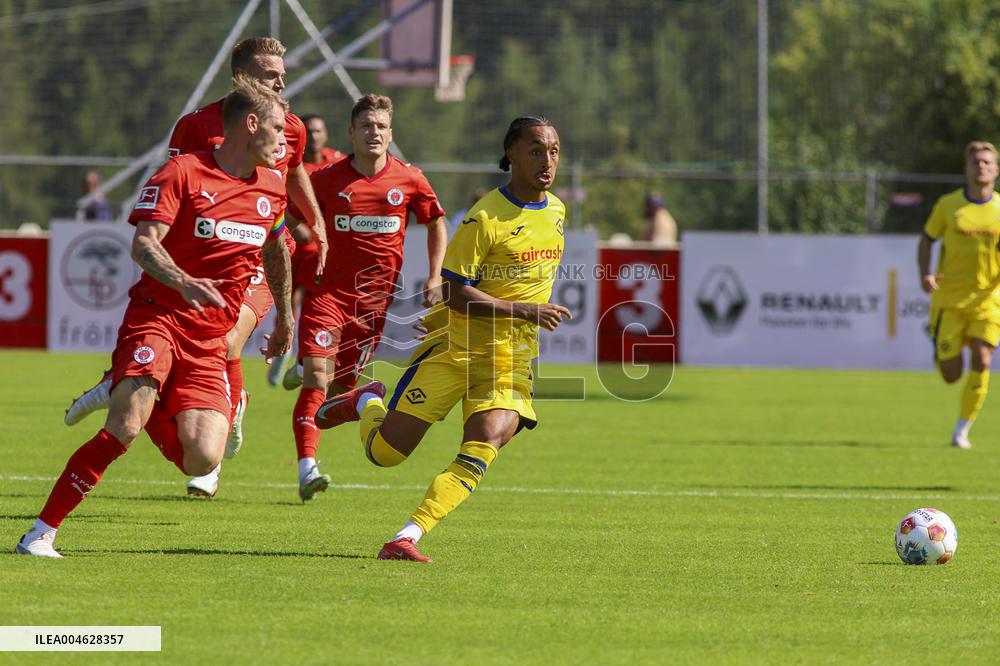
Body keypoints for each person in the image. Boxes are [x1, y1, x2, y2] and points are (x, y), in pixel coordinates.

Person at [15, 76, 294, 558]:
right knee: (125, 424)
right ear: (250, 125)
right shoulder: (183, 172)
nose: (285, 140)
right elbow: (144, 245)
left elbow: (276, 253)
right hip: (159, 316)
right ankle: (40, 532)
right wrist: (185, 282)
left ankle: (134, 388)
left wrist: (285, 316)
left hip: (210, 339)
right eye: (277, 128)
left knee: (203, 458)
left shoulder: (271, 188)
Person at [62, 37, 326, 499]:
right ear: (243, 80)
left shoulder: (291, 128)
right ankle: (159, 394)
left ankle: (211, 423)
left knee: (226, 338)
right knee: (212, 341)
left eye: (282, 73)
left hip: (261, 253)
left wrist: (316, 219)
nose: (281, 80)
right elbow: (174, 192)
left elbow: (293, 173)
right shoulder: (195, 127)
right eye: (270, 74)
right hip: (206, 261)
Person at [314, 115, 571, 562]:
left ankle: (408, 535)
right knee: (386, 454)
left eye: (553, 151)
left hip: (511, 359)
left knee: (487, 440)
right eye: (535, 150)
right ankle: (366, 402)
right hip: (456, 351)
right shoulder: (484, 217)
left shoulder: (557, 211)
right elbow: (454, 290)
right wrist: (522, 310)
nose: (546, 160)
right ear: (510, 154)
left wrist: (522, 317)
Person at [284, 93, 447, 502]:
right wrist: (309, 235)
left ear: (390, 134)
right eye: (366, 126)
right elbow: (288, 214)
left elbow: (436, 222)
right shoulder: (325, 178)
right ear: (351, 132)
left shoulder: (409, 179)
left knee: (338, 392)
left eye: (381, 127)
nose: (374, 133)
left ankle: (311, 371)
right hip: (327, 294)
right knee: (319, 380)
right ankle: (307, 468)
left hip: (373, 305)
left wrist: (433, 276)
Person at [918, 140, 1000, 449]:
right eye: (975, 162)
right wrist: (925, 274)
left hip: (988, 301)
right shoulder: (948, 206)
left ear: (996, 170)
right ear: (966, 169)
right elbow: (926, 240)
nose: (981, 166)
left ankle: (961, 430)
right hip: (949, 301)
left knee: (982, 359)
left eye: (986, 162)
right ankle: (945, 348)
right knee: (951, 374)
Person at [266, 113, 347, 386]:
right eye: (309, 131)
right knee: (288, 301)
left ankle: (304, 360)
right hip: (288, 242)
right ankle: (283, 352)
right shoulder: (288, 161)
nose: (313, 136)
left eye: (318, 130)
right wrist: (293, 226)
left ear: (326, 134)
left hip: (317, 250)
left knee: (315, 303)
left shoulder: (336, 161)